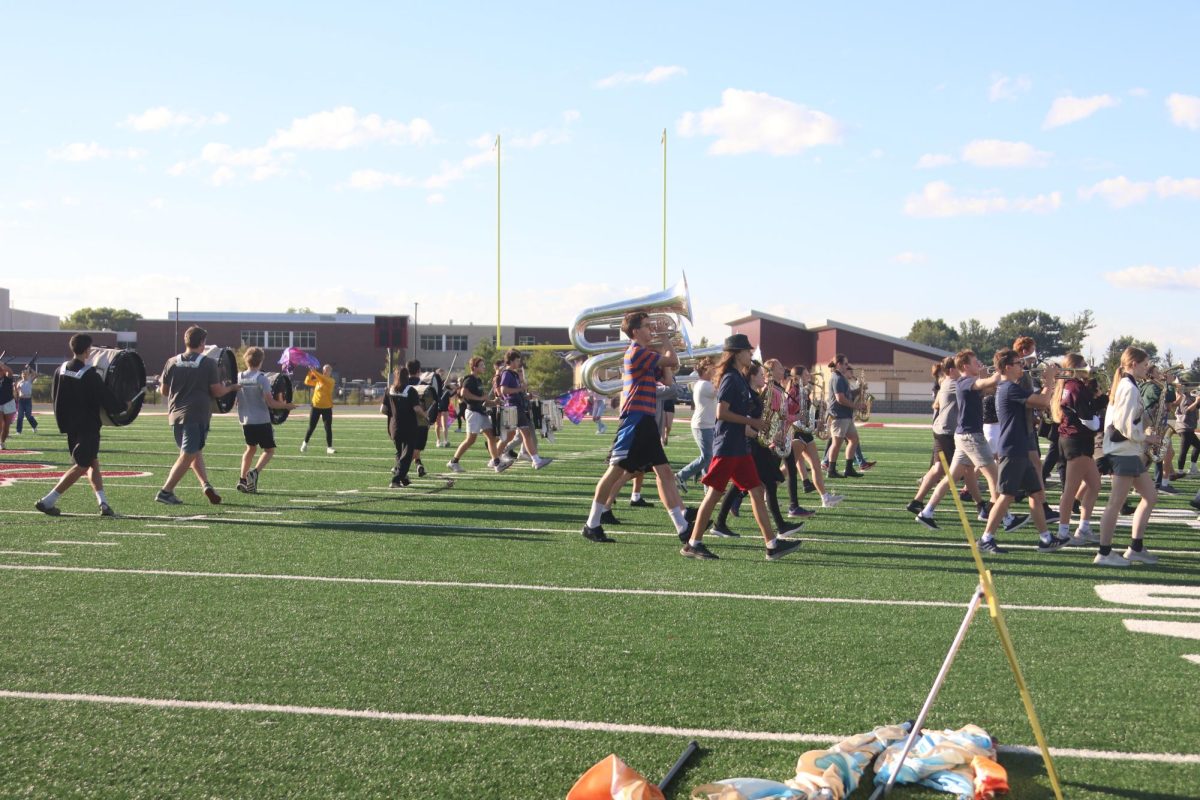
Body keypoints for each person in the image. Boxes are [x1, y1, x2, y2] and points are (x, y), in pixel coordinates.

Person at [676, 335, 803, 561]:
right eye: (747, 351)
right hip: (727, 446)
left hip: (739, 448)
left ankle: (772, 545)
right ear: (736, 353)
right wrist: (751, 422)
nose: (751, 354)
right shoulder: (730, 379)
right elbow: (721, 413)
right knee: (714, 495)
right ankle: (693, 543)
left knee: (756, 491)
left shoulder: (739, 379)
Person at [580, 311, 694, 544]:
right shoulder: (636, 353)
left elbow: (670, 379)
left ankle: (682, 527)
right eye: (646, 325)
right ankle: (592, 524)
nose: (650, 328)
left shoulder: (646, 355)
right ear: (635, 331)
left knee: (664, 473)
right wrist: (664, 338)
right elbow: (671, 360)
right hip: (634, 420)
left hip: (646, 420)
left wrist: (664, 345)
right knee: (614, 472)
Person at [916, 349, 1027, 533]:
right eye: (976, 362)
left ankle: (926, 513)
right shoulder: (965, 382)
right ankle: (1006, 519)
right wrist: (1002, 370)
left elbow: (989, 387)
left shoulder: (970, 382)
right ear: (966, 366)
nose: (980, 364)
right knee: (994, 478)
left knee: (950, 478)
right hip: (971, 437)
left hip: (964, 436)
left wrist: (999, 375)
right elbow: (989, 382)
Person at [34, 334, 133, 516]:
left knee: (92, 463)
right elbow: (105, 397)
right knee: (81, 465)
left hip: (70, 426)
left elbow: (55, 397)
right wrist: (123, 406)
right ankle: (48, 500)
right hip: (88, 426)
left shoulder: (60, 370)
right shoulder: (89, 374)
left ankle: (103, 503)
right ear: (88, 350)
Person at [977, 349, 1064, 554]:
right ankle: (985, 538)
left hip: (1020, 448)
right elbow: (1042, 401)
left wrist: (1046, 385)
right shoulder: (1008, 388)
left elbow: (1039, 404)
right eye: (1018, 363)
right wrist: (1050, 381)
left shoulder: (1012, 387)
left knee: (1036, 493)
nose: (1022, 366)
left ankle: (1045, 538)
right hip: (1013, 449)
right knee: (1005, 496)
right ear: (1007, 367)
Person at [709, 361, 805, 539]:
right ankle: (780, 526)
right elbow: (744, 420)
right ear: (752, 376)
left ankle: (720, 523)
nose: (764, 376)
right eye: (760, 374)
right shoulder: (750, 396)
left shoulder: (754, 394)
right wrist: (762, 434)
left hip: (756, 443)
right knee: (766, 483)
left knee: (747, 484)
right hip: (751, 444)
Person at [156, 326, 238, 505]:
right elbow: (217, 392)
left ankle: (205, 484)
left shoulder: (171, 361)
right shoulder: (207, 363)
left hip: (175, 414)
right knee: (188, 454)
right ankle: (166, 491)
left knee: (193, 452)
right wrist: (231, 387)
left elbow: (164, 390)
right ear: (202, 343)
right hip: (196, 414)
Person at [1095, 347, 1159, 566]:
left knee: (1150, 496)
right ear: (1133, 364)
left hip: (1128, 452)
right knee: (1115, 503)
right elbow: (1124, 426)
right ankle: (1104, 553)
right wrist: (1146, 437)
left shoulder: (1127, 385)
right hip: (1124, 453)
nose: (1146, 368)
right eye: (1144, 364)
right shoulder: (1129, 388)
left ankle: (1136, 547)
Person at [907, 357, 985, 517]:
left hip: (942, 430)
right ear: (951, 371)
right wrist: (982, 376)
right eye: (958, 368)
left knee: (939, 469)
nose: (961, 371)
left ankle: (917, 501)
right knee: (965, 469)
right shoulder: (953, 383)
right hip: (948, 432)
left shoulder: (948, 383)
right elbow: (975, 388)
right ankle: (981, 505)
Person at [1050, 354, 1102, 546]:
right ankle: (1063, 532)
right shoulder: (1076, 387)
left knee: (1095, 485)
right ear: (1075, 367)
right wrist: (1099, 421)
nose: (1087, 368)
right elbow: (1088, 419)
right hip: (1076, 440)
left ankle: (1084, 527)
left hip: (1075, 439)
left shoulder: (1069, 385)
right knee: (1070, 490)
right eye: (1083, 365)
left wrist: (1101, 399)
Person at [780, 363, 842, 515]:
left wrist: (816, 418)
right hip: (797, 433)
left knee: (816, 465)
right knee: (788, 468)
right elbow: (790, 413)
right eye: (807, 374)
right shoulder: (794, 392)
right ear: (798, 377)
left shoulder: (803, 391)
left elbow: (805, 413)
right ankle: (766, 489)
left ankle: (825, 497)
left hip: (806, 433)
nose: (809, 377)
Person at [235, 347, 296, 493]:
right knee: (269, 450)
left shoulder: (238, 377)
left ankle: (242, 479)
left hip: (246, 421)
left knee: (250, 448)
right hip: (261, 420)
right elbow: (271, 403)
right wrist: (286, 406)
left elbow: (236, 399)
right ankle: (254, 473)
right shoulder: (262, 378)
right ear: (261, 361)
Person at [447, 356, 506, 473]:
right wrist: (480, 398)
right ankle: (453, 461)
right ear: (474, 367)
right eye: (481, 365)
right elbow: (463, 393)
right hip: (473, 412)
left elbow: (484, 400)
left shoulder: (478, 380)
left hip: (481, 411)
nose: (484, 367)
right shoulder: (469, 379)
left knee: (491, 436)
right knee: (470, 440)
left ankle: (496, 463)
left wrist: (495, 402)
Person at [497, 349, 552, 470]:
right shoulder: (507, 373)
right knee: (511, 436)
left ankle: (536, 460)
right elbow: (503, 391)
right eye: (517, 360)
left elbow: (516, 392)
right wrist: (520, 389)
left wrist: (527, 395)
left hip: (518, 406)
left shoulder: (514, 374)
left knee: (523, 435)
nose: (519, 363)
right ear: (510, 361)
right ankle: (495, 459)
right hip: (513, 407)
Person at [676, 358, 716, 494]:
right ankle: (682, 475)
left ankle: (707, 488)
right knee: (707, 456)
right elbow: (720, 391)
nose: (715, 370)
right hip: (702, 425)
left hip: (707, 424)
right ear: (705, 370)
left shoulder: (705, 383)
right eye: (712, 367)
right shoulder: (705, 385)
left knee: (708, 457)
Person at [382, 366, 425, 488]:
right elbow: (416, 408)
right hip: (408, 427)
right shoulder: (410, 390)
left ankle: (404, 477)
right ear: (407, 377)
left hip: (393, 427)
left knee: (399, 452)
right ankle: (396, 480)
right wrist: (425, 416)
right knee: (406, 455)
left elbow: (383, 410)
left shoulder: (388, 390)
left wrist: (394, 414)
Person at [825, 354, 864, 479]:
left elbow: (847, 395)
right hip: (839, 415)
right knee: (836, 443)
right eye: (845, 364)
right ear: (838, 364)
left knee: (854, 439)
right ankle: (831, 470)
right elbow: (840, 399)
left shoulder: (842, 378)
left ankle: (848, 468)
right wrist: (856, 406)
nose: (847, 366)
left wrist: (859, 390)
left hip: (845, 416)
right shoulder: (837, 378)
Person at [301, 364, 336, 454]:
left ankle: (329, 447)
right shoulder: (318, 380)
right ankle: (305, 443)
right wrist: (310, 372)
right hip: (315, 407)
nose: (325, 372)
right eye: (324, 370)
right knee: (311, 427)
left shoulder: (330, 381)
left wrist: (313, 371)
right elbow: (307, 381)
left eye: (327, 370)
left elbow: (322, 379)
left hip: (327, 407)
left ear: (330, 372)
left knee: (328, 428)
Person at [15, 368, 37, 434]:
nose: (24, 375)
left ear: (28, 375)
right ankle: (18, 431)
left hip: (28, 400)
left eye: (25, 374)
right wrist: (19, 392)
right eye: (23, 374)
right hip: (21, 401)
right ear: (21, 375)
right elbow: (17, 390)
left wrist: (30, 368)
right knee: (20, 416)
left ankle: (34, 426)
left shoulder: (30, 380)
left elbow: (35, 374)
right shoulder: (19, 382)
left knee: (28, 415)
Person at [0, 361, 14, 449]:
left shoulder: (8, 377)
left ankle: (2, 442)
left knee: (6, 427)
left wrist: (1, 364)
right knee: (0, 424)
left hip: (9, 402)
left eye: (1, 370)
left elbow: (10, 371)